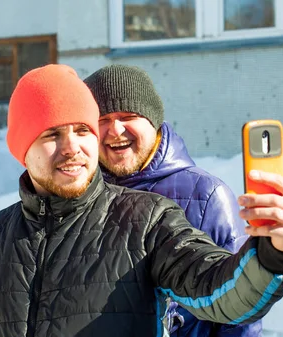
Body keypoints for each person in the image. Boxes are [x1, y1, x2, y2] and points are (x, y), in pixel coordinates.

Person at [0, 64, 283, 337]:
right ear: (23, 150)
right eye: (52, 134)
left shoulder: (148, 220)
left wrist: (276, 253)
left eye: (82, 130)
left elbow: (221, 292)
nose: (72, 146)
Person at [83, 64, 262, 337]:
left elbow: (239, 312)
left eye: (128, 116)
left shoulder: (206, 196)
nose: (115, 130)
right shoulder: (81, 196)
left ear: (153, 121)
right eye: (102, 119)